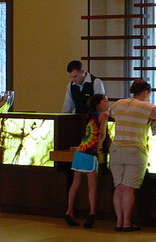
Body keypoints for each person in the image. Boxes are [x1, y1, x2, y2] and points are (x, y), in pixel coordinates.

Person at [109, 79, 156, 232]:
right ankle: (127, 223)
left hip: (115, 149)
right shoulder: (145, 106)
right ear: (145, 93)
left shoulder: (118, 103)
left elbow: (112, 114)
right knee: (129, 188)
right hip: (135, 150)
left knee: (119, 187)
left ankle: (119, 222)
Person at [63, 94, 110, 228]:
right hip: (90, 152)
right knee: (92, 184)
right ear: (98, 105)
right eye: (105, 101)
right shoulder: (104, 115)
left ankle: (69, 210)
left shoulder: (90, 115)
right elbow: (102, 133)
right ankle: (92, 213)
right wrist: (99, 146)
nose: (108, 103)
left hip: (80, 150)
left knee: (75, 183)